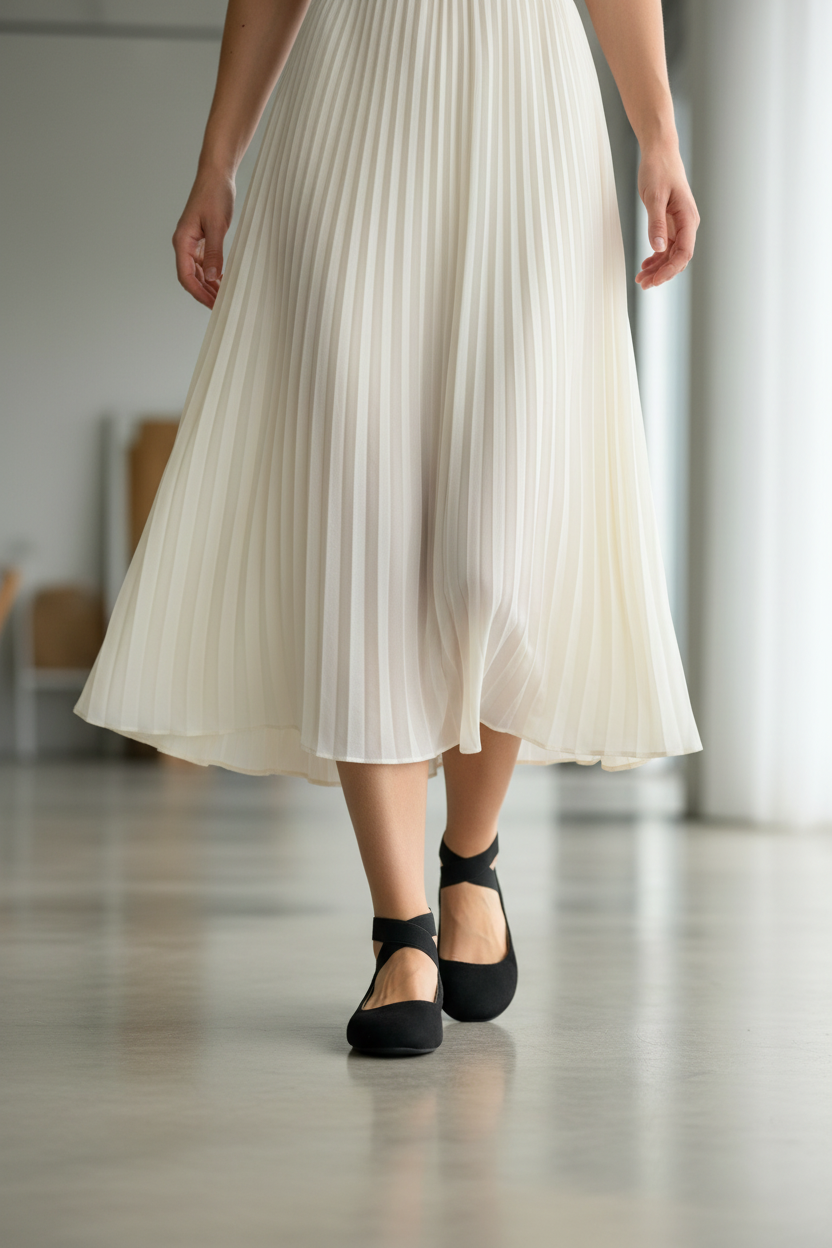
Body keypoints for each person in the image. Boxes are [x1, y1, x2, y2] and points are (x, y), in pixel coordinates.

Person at [74, 0, 702, 1056]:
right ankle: (402, 930)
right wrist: (217, 160)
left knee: (499, 553)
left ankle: (471, 857)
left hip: (528, 119)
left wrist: (659, 135)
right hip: (352, 115)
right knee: (359, 525)